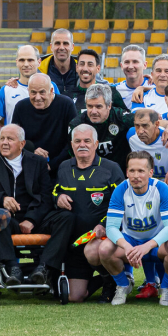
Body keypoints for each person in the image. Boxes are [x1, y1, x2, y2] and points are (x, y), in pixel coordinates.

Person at [97, 151, 168, 306]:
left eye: (141, 171)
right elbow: (111, 228)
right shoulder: (120, 190)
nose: (135, 175)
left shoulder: (161, 188)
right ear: (127, 172)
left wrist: (147, 246)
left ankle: (165, 287)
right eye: (132, 171)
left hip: (156, 243)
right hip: (130, 241)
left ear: (150, 173)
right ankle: (123, 285)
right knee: (104, 249)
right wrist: (127, 246)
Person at [0, 124, 55, 284]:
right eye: (2, 138)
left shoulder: (38, 163)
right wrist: (1, 199)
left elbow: (46, 197)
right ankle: (11, 268)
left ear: (22, 144)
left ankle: (44, 267)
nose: (4, 142)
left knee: (65, 217)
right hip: (4, 222)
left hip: (34, 221)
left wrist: (31, 220)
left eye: (10, 139)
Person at [53, 124, 125, 302]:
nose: (82, 145)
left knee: (96, 250)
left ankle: (113, 281)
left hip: (101, 239)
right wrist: (58, 198)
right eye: (77, 141)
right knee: (74, 297)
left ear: (96, 144)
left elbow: (124, 203)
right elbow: (54, 191)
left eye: (87, 141)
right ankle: (104, 279)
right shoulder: (63, 167)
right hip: (76, 243)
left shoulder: (111, 168)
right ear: (72, 144)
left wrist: (105, 224)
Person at [11, 72, 78, 165]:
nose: (38, 97)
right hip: (30, 163)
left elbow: (73, 140)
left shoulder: (66, 105)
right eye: (33, 92)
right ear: (28, 91)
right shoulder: (21, 107)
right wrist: (31, 151)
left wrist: (52, 165)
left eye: (42, 92)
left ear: (51, 91)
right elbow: (15, 139)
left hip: (61, 165)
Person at [0, 44, 52, 129]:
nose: (26, 64)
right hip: (15, 141)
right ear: (16, 62)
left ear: (39, 62)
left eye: (30, 60)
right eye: (22, 60)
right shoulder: (7, 90)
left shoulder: (51, 87)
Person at [71, 83, 134, 167]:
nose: (93, 111)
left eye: (98, 107)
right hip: (90, 173)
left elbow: (144, 120)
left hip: (120, 173)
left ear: (109, 106)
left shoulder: (121, 117)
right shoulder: (76, 125)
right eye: (90, 106)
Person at [72, 49, 128, 114]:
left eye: (90, 65)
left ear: (98, 69)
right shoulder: (68, 96)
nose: (85, 69)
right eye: (82, 64)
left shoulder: (110, 93)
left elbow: (126, 116)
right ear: (77, 67)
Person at [39, 29, 80, 96]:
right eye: (57, 43)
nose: (61, 47)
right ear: (51, 46)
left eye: (65, 43)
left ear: (72, 47)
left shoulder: (83, 69)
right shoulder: (39, 70)